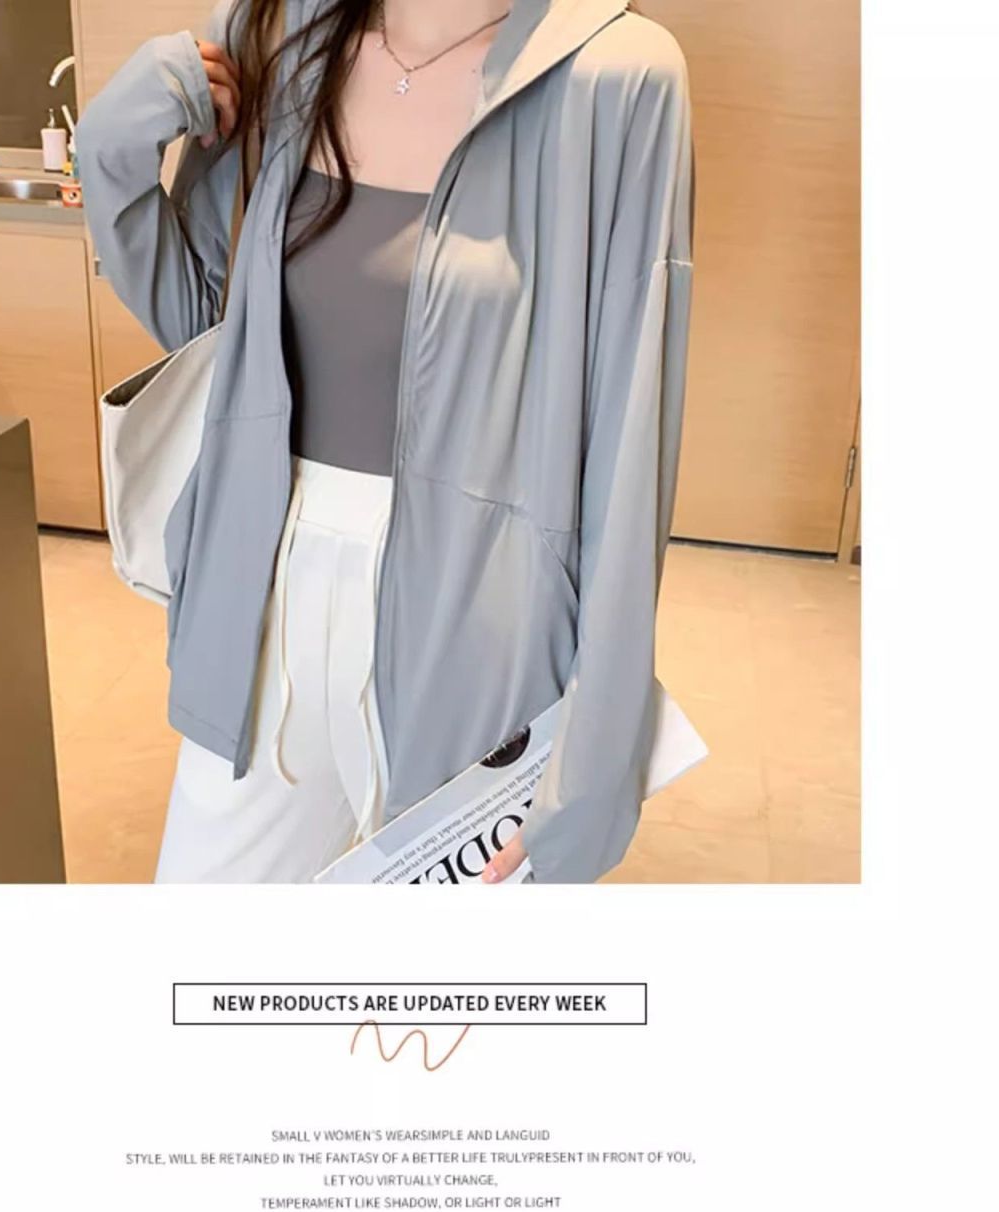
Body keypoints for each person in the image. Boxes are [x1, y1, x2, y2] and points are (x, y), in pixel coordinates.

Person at [74, 0, 694, 884]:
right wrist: (110, 146)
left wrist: (601, 751)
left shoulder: (618, 74)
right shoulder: (279, 36)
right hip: (264, 601)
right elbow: (214, 337)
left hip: (481, 621)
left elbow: (633, 435)